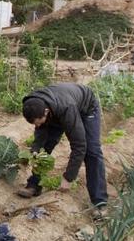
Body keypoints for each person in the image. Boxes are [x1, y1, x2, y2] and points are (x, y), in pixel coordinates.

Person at [17, 83, 108, 218]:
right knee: (43, 151)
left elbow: (79, 145)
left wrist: (68, 177)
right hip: (57, 111)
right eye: (35, 124)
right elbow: (40, 133)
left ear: (46, 112)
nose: (38, 126)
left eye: (39, 122)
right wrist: (35, 150)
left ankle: (100, 202)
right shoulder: (36, 104)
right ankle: (34, 184)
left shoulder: (67, 108)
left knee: (92, 151)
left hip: (86, 108)